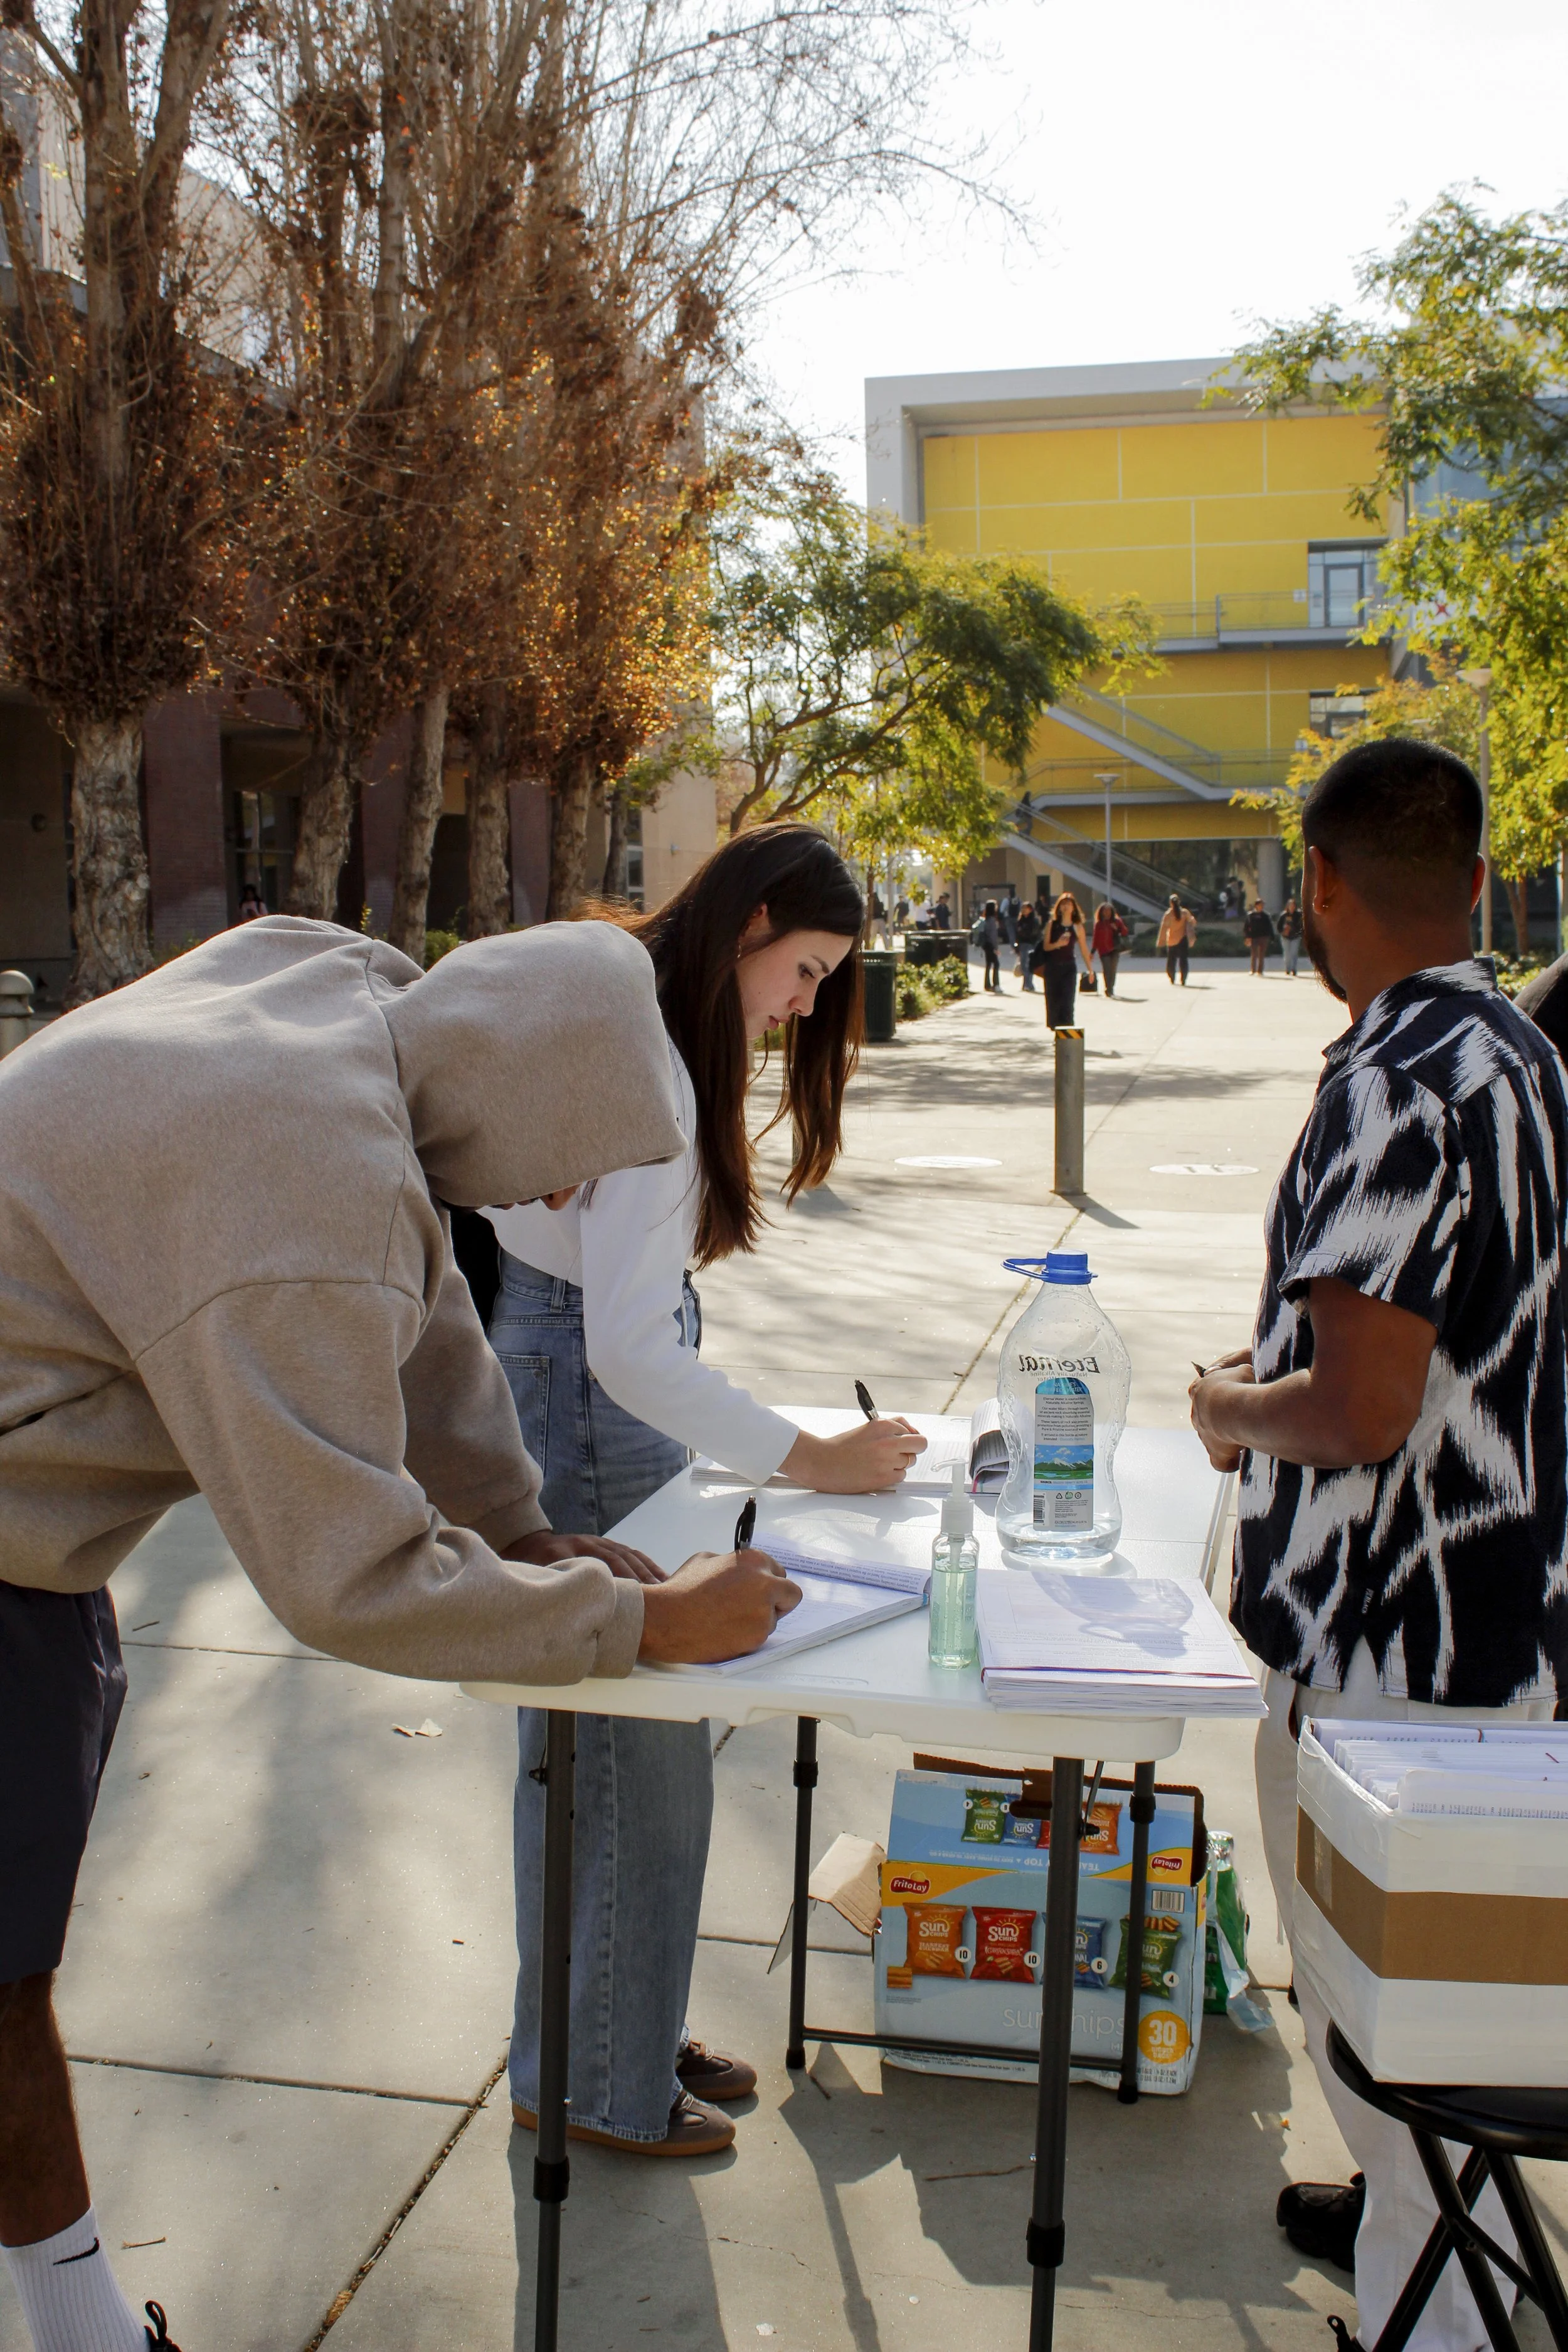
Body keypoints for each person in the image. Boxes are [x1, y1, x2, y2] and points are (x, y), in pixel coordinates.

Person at [0, 918, 798, 2352]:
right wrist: (641, 1621)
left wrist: (526, 1529)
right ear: (517, 1093)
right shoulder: (297, 1196)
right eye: (570, 1157)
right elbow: (344, 1571)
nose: (562, 1191)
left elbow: (420, 1293)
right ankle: (88, 2335)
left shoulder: (344, 994)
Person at [1189, 737, 1568, 2352]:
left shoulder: (1393, 1074)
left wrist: (1226, 1407)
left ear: (1315, 884)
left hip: (1392, 1654)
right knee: (1433, 2038)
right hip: (1498, 1629)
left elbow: (1355, 1406)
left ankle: (1433, 2318)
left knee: (1378, 2027)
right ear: (1479, 883)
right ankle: (1434, 2259)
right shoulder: (1518, 1048)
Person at [484, 828, 924, 2159]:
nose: (798, 1005)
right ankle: (601, 2083)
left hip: (551, 1364)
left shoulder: (617, 994)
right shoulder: (656, 1069)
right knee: (632, 1746)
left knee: (584, 1745)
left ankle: (594, 2034)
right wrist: (812, 1455)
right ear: (753, 921)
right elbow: (628, 1348)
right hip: (581, 1382)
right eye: (801, 971)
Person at [1031, 890, 1093, 1028]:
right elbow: (1046, 947)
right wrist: (1058, 944)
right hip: (1053, 967)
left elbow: (1084, 949)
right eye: (1063, 904)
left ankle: (1067, 1034)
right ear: (1059, 907)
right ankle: (1056, 1032)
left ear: (1074, 907)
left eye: (1069, 904)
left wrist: (1090, 970)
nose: (1066, 906)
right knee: (1053, 1002)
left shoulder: (1077, 927)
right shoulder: (1052, 925)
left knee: (1068, 1001)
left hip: (1069, 967)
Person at [1091, 901, 1130, 997]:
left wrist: (1116, 928)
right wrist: (1092, 952)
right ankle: (1108, 988)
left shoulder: (1117, 921)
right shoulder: (1099, 924)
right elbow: (1096, 938)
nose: (1107, 913)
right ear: (1102, 912)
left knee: (1113, 970)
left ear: (1112, 912)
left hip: (1115, 949)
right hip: (1103, 951)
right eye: (1105, 911)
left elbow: (1125, 932)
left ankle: (1111, 988)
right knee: (1107, 969)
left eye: (1109, 911)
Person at [1157, 893, 1195, 985]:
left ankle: (1172, 978)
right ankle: (1183, 979)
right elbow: (1193, 922)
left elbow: (1163, 929)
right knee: (1183, 960)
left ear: (1170, 903)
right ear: (1179, 902)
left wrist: (1160, 941)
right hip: (1183, 939)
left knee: (1171, 961)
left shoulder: (1168, 915)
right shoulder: (1185, 913)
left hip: (1171, 940)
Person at [1014, 896, 1043, 990]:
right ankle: (1027, 984)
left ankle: (1028, 984)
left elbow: (1033, 933)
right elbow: (1017, 934)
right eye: (1022, 909)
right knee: (1023, 965)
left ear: (1030, 910)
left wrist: (1023, 932)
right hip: (1022, 945)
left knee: (1028, 965)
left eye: (1025, 909)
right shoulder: (1020, 921)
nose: (1023, 910)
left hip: (1030, 944)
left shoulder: (1034, 921)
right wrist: (1016, 945)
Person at [1243, 895, 1275, 975]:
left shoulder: (1266, 916)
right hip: (1254, 937)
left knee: (1261, 954)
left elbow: (1270, 927)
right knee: (1254, 954)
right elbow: (1246, 927)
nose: (1262, 906)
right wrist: (1247, 937)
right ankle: (1253, 970)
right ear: (1256, 906)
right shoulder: (1251, 915)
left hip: (1264, 937)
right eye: (1260, 905)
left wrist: (1272, 937)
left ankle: (1260, 970)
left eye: (1262, 905)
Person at [977, 898, 1002, 992]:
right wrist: (995, 948)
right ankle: (996, 984)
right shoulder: (992, 921)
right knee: (996, 964)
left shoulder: (986, 919)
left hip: (986, 945)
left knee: (988, 964)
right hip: (991, 945)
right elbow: (993, 936)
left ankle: (987, 985)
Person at [1277, 893, 1303, 977]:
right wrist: (1283, 931)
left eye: (1293, 905)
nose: (1292, 907)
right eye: (1290, 905)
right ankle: (1287, 968)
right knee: (1287, 954)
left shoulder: (1299, 915)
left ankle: (1294, 969)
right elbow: (1279, 926)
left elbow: (1301, 926)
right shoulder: (1284, 915)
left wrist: (1293, 927)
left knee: (1294, 953)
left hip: (1295, 937)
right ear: (1287, 906)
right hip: (1286, 937)